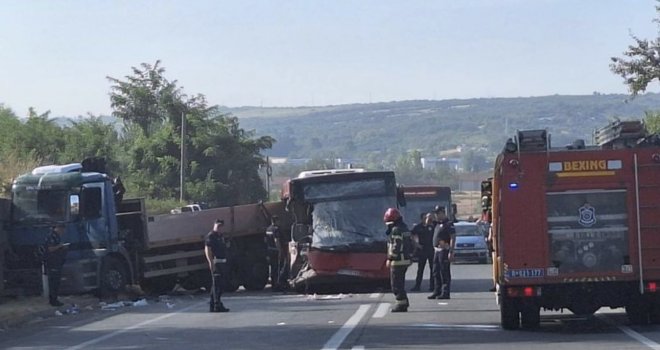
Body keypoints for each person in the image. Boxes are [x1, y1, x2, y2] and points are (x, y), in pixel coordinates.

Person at [384, 208, 413, 312]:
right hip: (405, 259)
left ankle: (401, 304)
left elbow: (396, 246)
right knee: (400, 283)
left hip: (398, 261)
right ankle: (404, 302)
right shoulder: (404, 228)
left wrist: (390, 258)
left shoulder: (396, 229)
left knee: (396, 285)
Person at [428, 207, 455, 300]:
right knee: (435, 272)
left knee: (444, 272)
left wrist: (451, 251)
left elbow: (452, 237)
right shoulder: (437, 224)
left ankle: (445, 292)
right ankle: (437, 290)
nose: (436, 215)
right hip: (437, 250)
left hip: (444, 250)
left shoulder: (448, 224)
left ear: (442, 213)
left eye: (437, 213)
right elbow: (428, 222)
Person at [205, 219, 230, 312]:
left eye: (221, 226)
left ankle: (213, 304)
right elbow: (208, 250)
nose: (219, 228)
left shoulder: (220, 236)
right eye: (217, 226)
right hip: (216, 262)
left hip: (222, 261)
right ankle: (217, 304)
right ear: (214, 225)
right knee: (217, 285)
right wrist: (211, 263)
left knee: (218, 285)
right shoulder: (211, 236)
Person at [42, 223, 69, 307]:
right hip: (52, 262)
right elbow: (50, 249)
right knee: (53, 282)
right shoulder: (51, 236)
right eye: (62, 229)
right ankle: (53, 300)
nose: (63, 231)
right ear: (58, 228)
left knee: (56, 282)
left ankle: (55, 299)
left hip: (57, 261)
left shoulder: (56, 236)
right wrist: (60, 246)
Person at [410, 213, 435, 292]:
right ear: (422, 219)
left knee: (433, 269)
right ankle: (417, 286)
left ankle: (432, 286)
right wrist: (416, 244)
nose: (426, 219)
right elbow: (411, 235)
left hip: (431, 249)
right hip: (422, 250)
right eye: (425, 218)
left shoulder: (432, 226)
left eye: (427, 218)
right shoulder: (418, 227)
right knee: (420, 269)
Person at [265, 215, 282, 291]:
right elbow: (276, 240)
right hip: (275, 250)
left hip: (269, 250)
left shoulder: (268, 229)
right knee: (276, 268)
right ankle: (276, 285)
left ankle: (273, 284)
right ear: (276, 221)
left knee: (272, 268)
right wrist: (280, 250)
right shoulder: (276, 229)